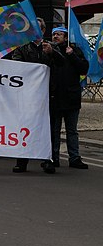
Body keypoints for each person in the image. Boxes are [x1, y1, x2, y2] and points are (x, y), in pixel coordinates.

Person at [8, 17, 55, 174]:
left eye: (37, 28)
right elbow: (16, 67)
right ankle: (22, 161)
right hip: (27, 95)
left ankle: (48, 159)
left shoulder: (50, 46)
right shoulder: (21, 48)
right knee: (25, 127)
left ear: (42, 31)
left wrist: (52, 53)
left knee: (48, 128)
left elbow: (61, 64)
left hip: (48, 95)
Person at [49, 26, 89, 169]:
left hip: (71, 97)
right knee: (55, 130)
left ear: (66, 37)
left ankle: (75, 157)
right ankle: (53, 157)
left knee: (72, 130)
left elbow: (84, 68)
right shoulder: (49, 51)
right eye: (54, 34)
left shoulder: (74, 51)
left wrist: (72, 55)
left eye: (58, 34)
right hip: (55, 97)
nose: (55, 37)